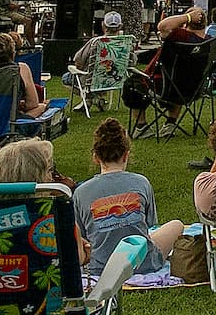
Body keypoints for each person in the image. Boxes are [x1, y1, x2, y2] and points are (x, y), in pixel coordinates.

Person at [74, 119, 186, 284]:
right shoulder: (141, 182)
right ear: (126, 154)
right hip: (143, 262)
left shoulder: (81, 192)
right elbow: (150, 224)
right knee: (177, 225)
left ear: (95, 157)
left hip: (101, 267)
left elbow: (82, 236)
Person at [0, 30, 47, 119]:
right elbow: (32, 104)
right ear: (12, 53)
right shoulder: (21, 69)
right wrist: (17, 104)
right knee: (42, 107)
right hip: (11, 120)